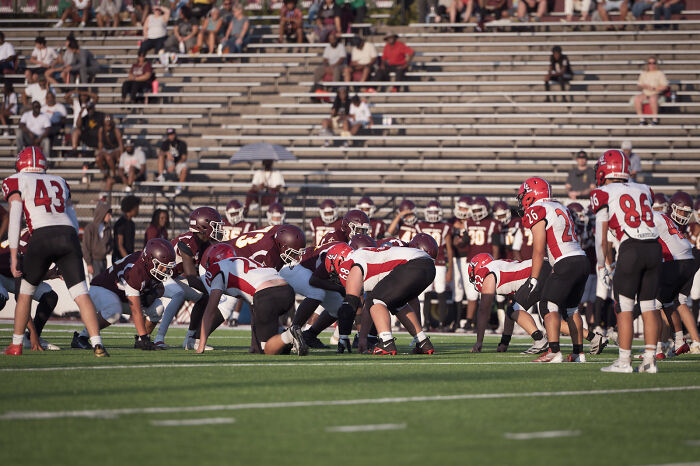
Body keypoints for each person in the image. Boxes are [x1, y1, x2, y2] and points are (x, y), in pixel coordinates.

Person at [3, 146, 108, 357]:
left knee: (25, 293)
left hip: (41, 235)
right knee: (80, 293)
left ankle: (15, 345)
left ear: (20, 164)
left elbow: (15, 215)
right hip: (68, 235)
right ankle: (97, 343)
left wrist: (14, 254)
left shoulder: (15, 180)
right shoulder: (59, 181)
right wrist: (75, 248)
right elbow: (72, 216)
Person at [590, 150, 662, 373]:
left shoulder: (603, 192)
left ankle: (624, 361)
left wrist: (602, 263)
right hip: (654, 247)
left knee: (624, 308)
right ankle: (650, 360)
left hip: (631, 248)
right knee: (649, 306)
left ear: (605, 169)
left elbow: (602, 236)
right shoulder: (644, 189)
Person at [518, 177, 589, 363]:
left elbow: (539, 249)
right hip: (581, 259)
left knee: (547, 305)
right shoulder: (561, 206)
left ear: (530, 195)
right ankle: (578, 353)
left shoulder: (537, 210)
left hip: (565, 261)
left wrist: (533, 279)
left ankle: (554, 351)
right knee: (572, 310)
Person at [325, 243, 436, 355]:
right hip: (428, 266)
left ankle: (386, 342)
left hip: (413, 264)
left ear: (338, 261)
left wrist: (343, 336)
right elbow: (368, 303)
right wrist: (363, 338)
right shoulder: (365, 258)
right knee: (396, 304)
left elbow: (350, 303)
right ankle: (423, 342)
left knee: (376, 301)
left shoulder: (351, 262)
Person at [73, 239, 176, 351]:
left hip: (122, 296)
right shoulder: (135, 269)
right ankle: (81, 337)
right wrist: (144, 336)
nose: (165, 270)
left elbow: (160, 288)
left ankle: (141, 341)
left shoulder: (150, 267)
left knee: (158, 308)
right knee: (113, 310)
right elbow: (135, 309)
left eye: (167, 267)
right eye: (162, 266)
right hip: (102, 289)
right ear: (150, 259)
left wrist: (153, 294)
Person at [198, 253, 304, 355]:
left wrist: (201, 345)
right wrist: (254, 344)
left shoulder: (217, 269)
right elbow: (254, 306)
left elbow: (210, 311)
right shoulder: (244, 261)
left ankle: (289, 335)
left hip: (266, 295)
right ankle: (286, 337)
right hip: (287, 291)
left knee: (267, 349)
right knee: (277, 348)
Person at [151, 207, 224, 349]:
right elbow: (191, 278)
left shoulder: (205, 243)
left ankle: (190, 340)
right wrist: (215, 290)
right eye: (215, 225)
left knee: (203, 298)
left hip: (172, 275)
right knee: (179, 294)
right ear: (202, 225)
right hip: (157, 275)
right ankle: (159, 338)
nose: (218, 229)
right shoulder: (188, 241)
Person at [453, 197, 501, 332]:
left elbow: (496, 246)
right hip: (472, 262)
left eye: (479, 209)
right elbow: (464, 241)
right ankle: (469, 322)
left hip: (487, 263)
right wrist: (458, 241)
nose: (477, 212)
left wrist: (495, 264)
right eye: (475, 210)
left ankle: (484, 323)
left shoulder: (493, 223)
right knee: (471, 294)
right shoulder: (469, 223)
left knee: (485, 295)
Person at [415, 201, 454, 331]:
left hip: (440, 262)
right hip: (425, 262)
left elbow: (449, 249)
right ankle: (425, 323)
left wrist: (451, 269)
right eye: (430, 212)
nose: (432, 215)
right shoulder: (420, 226)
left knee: (441, 291)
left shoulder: (445, 226)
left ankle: (442, 323)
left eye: (435, 212)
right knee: (426, 292)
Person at [81, 200, 112, 278]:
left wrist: (106, 250)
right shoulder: (90, 228)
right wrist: (89, 264)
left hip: (104, 260)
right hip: (94, 262)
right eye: (108, 214)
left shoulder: (107, 228)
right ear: (102, 214)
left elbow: (111, 243)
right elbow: (85, 247)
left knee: (102, 285)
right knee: (95, 286)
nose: (110, 216)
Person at [634, 56, 668, 126]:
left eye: (653, 63)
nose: (652, 65)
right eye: (650, 63)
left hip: (656, 92)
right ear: (647, 64)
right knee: (637, 98)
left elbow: (665, 86)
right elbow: (639, 86)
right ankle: (641, 119)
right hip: (645, 92)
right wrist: (643, 86)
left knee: (652, 98)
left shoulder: (659, 73)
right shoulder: (643, 73)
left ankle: (655, 119)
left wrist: (654, 88)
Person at [157, 128, 188, 196]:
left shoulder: (182, 143)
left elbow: (184, 157)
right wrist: (166, 153)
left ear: (175, 134)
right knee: (161, 156)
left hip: (178, 163)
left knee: (184, 168)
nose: (171, 136)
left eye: (172, 134)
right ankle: (161, 175)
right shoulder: (165, 143)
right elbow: (160, 153)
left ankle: (179, 187)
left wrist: (176, 164)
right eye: (169, 135)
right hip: (168, 163)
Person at [113, 194, 140, 261]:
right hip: (120, 260)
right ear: (131, 208)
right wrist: (128, 259)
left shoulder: (131, 224)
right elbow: (120, 246)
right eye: (136, 207)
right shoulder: (121, 224)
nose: (138, 210)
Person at [96, 115, 123, 184]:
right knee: (98, 159)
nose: (107, 122)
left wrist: (121, 154)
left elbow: (120, 142)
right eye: (106, 120)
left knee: (108, 158)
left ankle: (114, 174)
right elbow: (100, 142)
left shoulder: (115, 130)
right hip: (105, 149)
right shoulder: (101, 130)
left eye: (109, 120)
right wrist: (100, 152)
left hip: (115, 149)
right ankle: (106, 174)